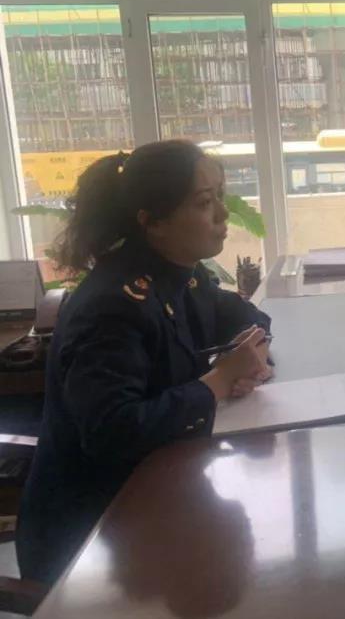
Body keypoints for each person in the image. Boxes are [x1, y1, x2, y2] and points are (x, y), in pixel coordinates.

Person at [17, 140, 273, 584]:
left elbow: (246, 317)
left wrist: (254, 351)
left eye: (220, 196)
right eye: (204, 202)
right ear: (152, 222)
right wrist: (218, 381)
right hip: (93, 540)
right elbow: (114, 431)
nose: (222, 214)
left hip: (160, 495)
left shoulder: (182, 274)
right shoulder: (113, 304)